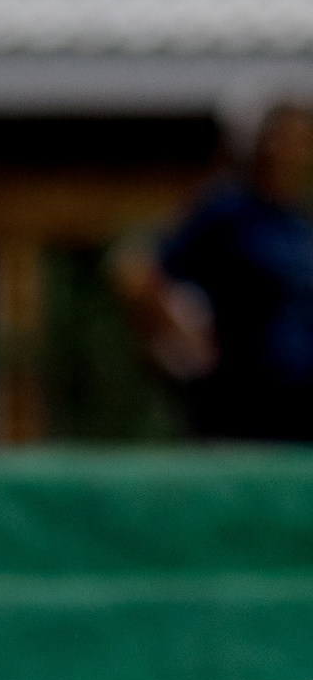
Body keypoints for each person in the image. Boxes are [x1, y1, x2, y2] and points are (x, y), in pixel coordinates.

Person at [111, 100, 313, 441]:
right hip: (241, 407)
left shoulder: (298, 222)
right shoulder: (228, 211)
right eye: (283, 139)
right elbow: (135, 270)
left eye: (303, 141)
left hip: (300, 409)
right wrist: (174, 342)